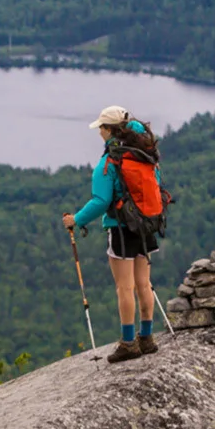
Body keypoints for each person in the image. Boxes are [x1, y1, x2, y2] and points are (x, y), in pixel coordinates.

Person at [62, 104, 160, 363]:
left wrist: (76, 219)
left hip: (120, 229)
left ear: (109, 130)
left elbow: (101, 201)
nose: (99, 132)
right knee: (144, 284)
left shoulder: (109, 162)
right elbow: (157, 185)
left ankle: (128, 343)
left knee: (124, 287)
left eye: (101, 128)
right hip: (146, 226)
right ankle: (147, 338)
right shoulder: (144, 155)